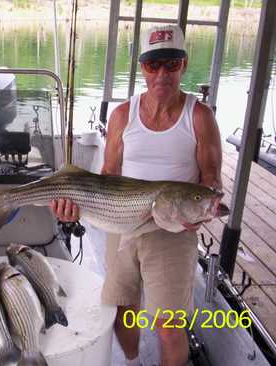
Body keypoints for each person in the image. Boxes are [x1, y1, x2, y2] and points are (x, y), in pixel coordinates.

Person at [51, 24, 222, 366]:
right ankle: (132, 361)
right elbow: (109, 174)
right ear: (143, 67)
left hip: (172, 231)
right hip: (122, 223)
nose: (161, 74)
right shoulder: (122, 115)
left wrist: (200, 211)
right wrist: (75, 208)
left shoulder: (199, 116)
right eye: (152, 65)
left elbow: (211, 181)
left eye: (171, 64)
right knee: (122, 309)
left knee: (169, 326)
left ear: (184, 65)